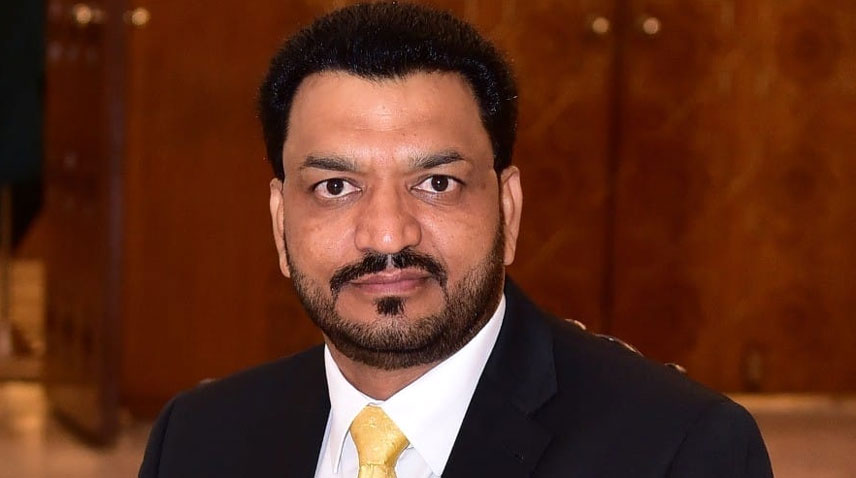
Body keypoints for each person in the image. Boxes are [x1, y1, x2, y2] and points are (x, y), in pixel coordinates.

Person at [139, 3, 773, 477]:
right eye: (335, 187)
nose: (388, 231)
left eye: (436, 183)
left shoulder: (679, 450)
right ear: (280, 222)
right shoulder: (196, 441)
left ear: (508, 209)